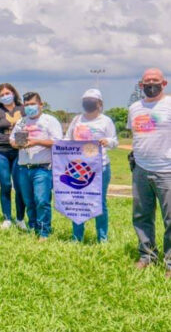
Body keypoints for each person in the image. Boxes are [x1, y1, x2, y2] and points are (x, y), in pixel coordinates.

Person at [127, 68, 171, 279]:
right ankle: (147, 255)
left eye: (155, 80)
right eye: (147, 81)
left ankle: (170, 262)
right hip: (141, 169)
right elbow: (135, 136)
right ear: (140, 84)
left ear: (164, 84)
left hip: (167, 170)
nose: (150, 84)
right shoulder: (135, 108)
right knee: (141, 215)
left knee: (170, 218)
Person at [65, 89, 118, 242]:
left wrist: (107, 142)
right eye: (85, 100)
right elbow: (67, 139)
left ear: (99, 104)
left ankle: (102, 238)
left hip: (99, 167)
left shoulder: (106, 121)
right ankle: (77, 237)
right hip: (78, 168)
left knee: (99, 202)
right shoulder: (77, 120)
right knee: (78, 202)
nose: (88, 103)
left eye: (92, 100)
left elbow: (114, 141)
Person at [10, 92, 62, 241]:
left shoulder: (49, 121)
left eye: (32, 104)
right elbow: (12, 140)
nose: (29, 107)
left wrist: (36, 142)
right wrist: (17, 143)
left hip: (42, 168)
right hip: (23, 168)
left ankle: (44, 232)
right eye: (26, 105)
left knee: (41, 201)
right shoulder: (21, 122)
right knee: (29, 201)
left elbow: (58, 141)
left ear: (41, 105)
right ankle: (33, 228)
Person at [0, 83, 27, 230]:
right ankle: (7, 218)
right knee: (5, 184)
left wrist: (23, 145)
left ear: (14, 93)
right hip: (0, 151)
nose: (5, 96)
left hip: (19, 151)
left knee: (19, 186)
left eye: (7, 93)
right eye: (2, 95)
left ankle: (20, 218)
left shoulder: (23, 109)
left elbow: (27, 128)